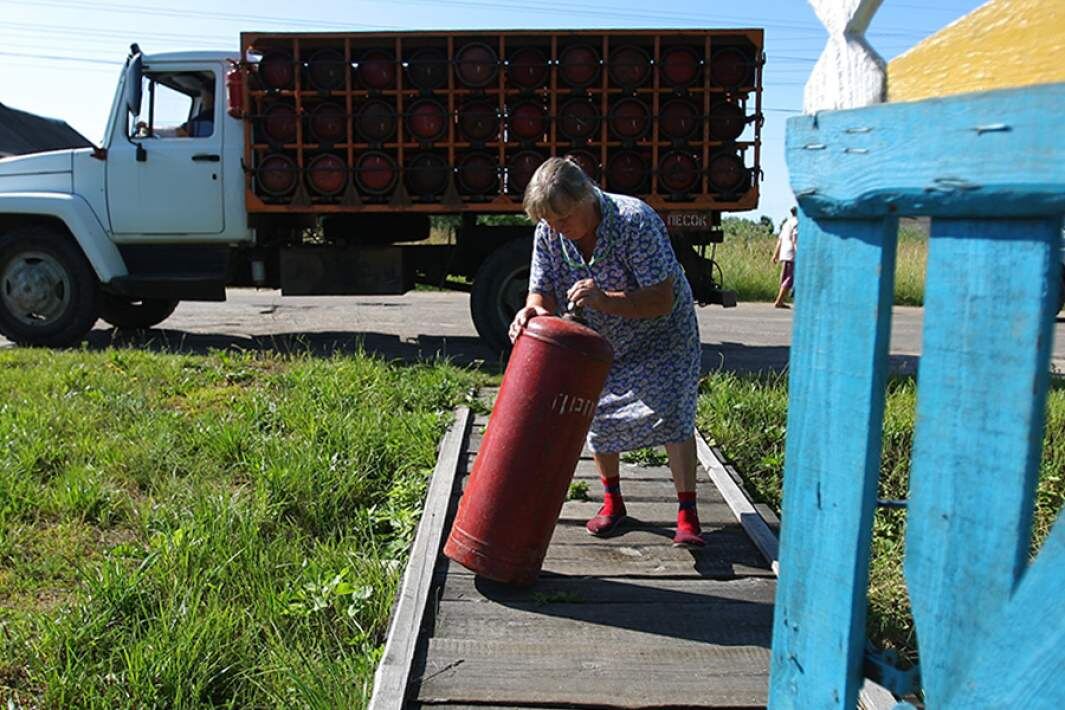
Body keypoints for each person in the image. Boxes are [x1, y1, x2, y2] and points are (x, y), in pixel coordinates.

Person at [508, 157, 705, 548]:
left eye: (561, 218)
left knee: (673, 409)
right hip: (603, 338)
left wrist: (603, 299)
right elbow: (542, 289)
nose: (555, 227)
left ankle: (687, 513)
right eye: (546, 220)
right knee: (597, 414)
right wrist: (533, 310)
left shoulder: (635, 220)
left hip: (662, 332)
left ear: (586, 199)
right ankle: (613, 504)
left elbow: (661, 298)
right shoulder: (549, 231)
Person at [772, 206, 798, 308]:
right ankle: (779, 301)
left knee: (785, 278)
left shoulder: (787, 223)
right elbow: (795, 238)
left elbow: (780, 240)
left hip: (785, 253)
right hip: (792, 254)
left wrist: (776, 254)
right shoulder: (797, 223)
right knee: (789, 279)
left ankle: (782, 299)